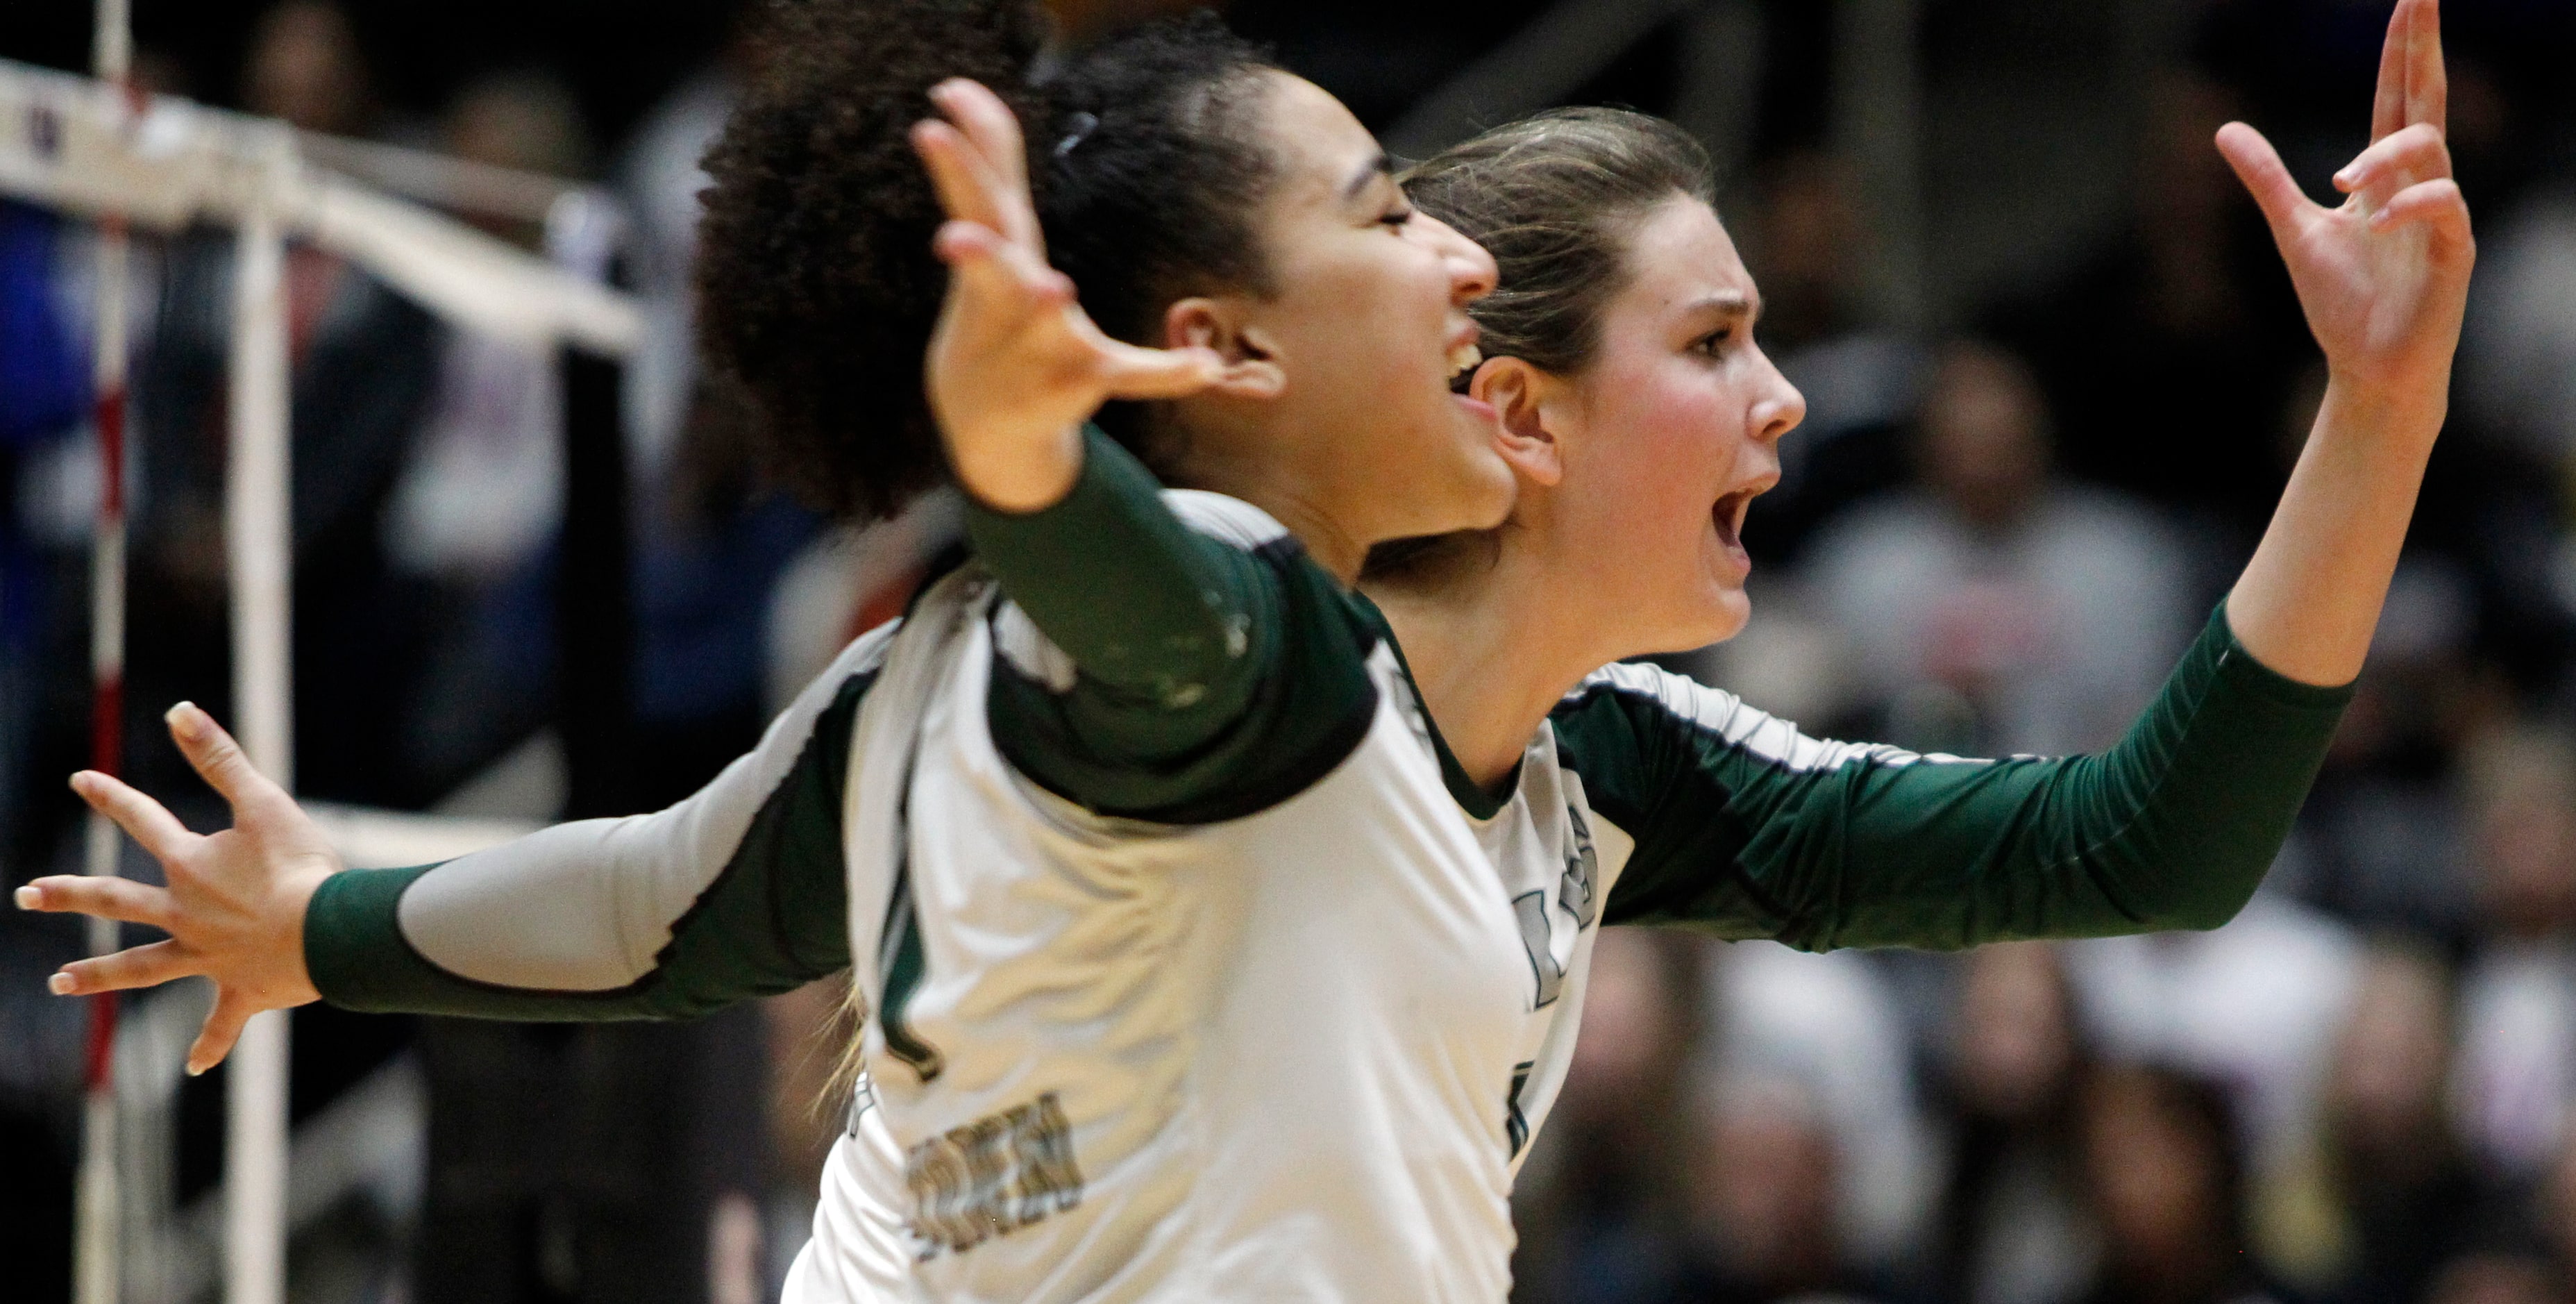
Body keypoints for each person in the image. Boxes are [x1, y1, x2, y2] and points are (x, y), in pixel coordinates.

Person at [24, 0, 2475, 1298]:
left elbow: (667, 904)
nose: (1796, 393)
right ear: (1256, 361)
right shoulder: (1255, 676)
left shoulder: (1579, 759)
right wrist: (1022, 450)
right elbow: (1160, 628)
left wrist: (321, 924)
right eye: (1714, 344)